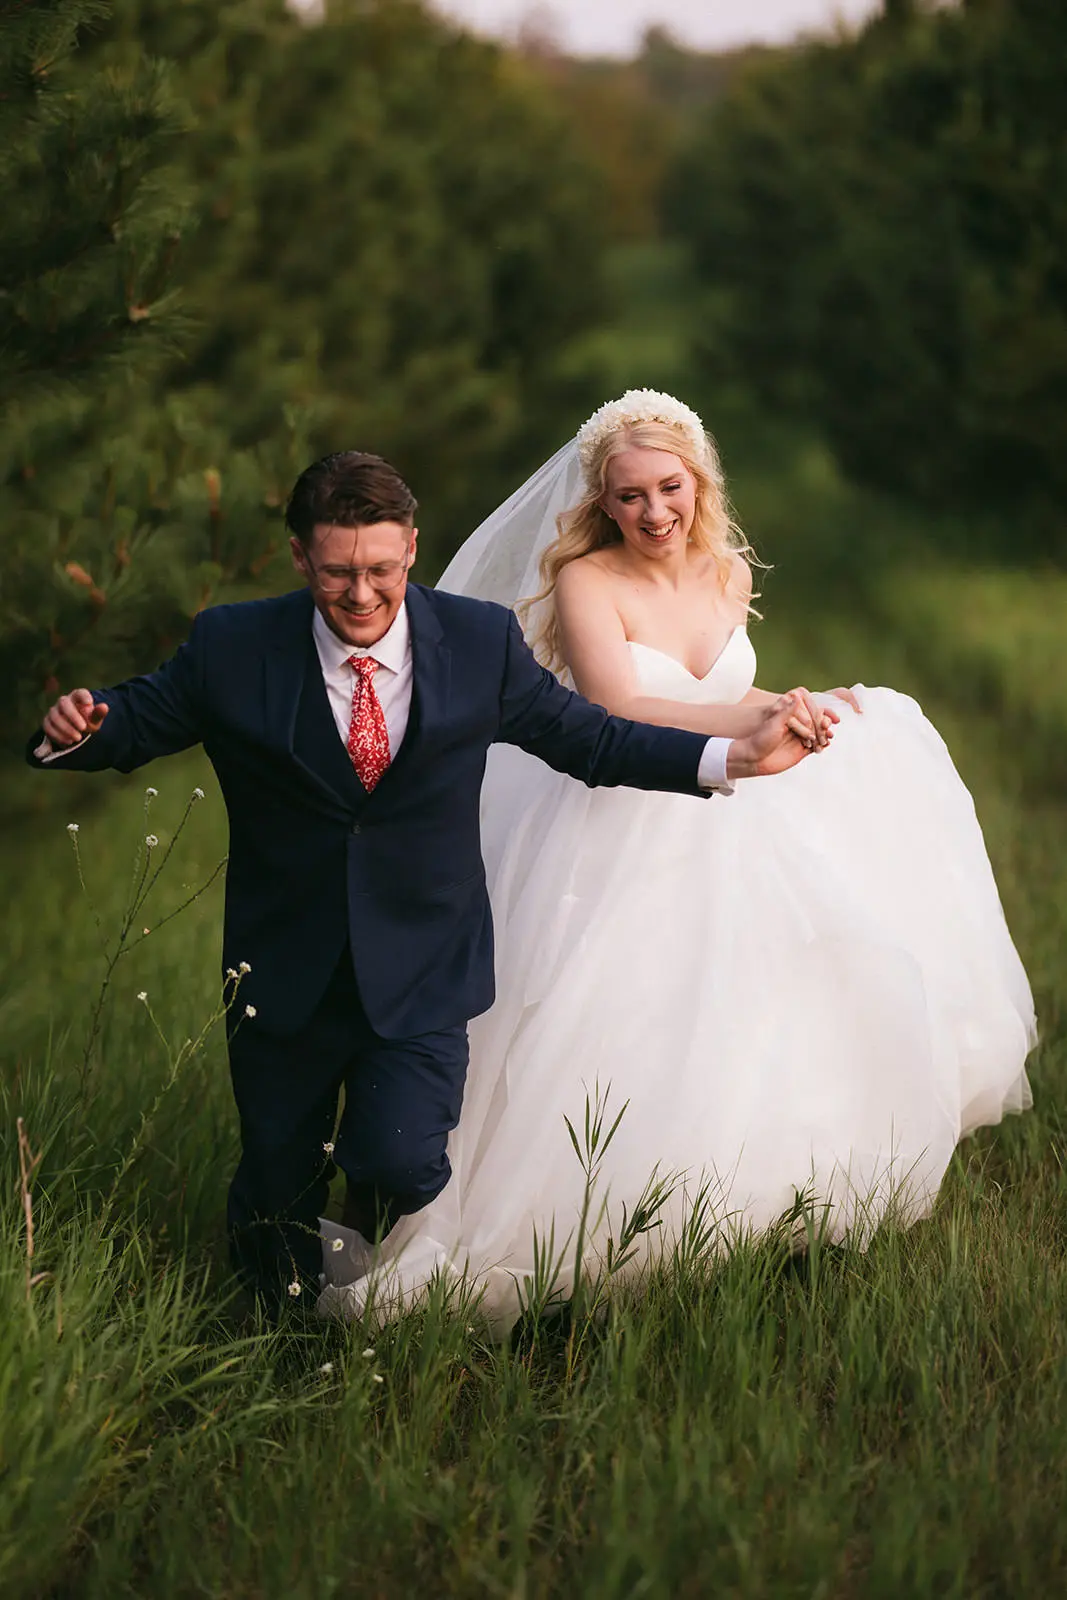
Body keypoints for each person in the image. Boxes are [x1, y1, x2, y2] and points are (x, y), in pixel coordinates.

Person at [26, 448, 822, 1313]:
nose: (360, 595)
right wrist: (80, 727)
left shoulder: (477, 642)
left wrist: (728, 755)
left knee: (403, 1158)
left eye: (378, 569)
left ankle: (365, 1245)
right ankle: (272, 1327)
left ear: (409, 547)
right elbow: (135, 717)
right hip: (283, 964)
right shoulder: (235, 645)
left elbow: (590, 739)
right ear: (301, 559)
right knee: (278, 1174)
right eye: (335, 574)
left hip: (423, 959)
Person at [318, 390, 1036, 1332]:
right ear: (600, 502)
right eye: (628, 497)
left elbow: (725, 685)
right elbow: (619, 708)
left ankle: (752, 1201)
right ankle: (584, 1221)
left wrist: (798, 703)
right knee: (611, 1014)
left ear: (699, 482)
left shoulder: (728, 572)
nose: (654, 513)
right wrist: (753, 722)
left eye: (669, 488)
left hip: (730, 808)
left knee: (769, 988)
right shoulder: (584, 579)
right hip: (611, 808)